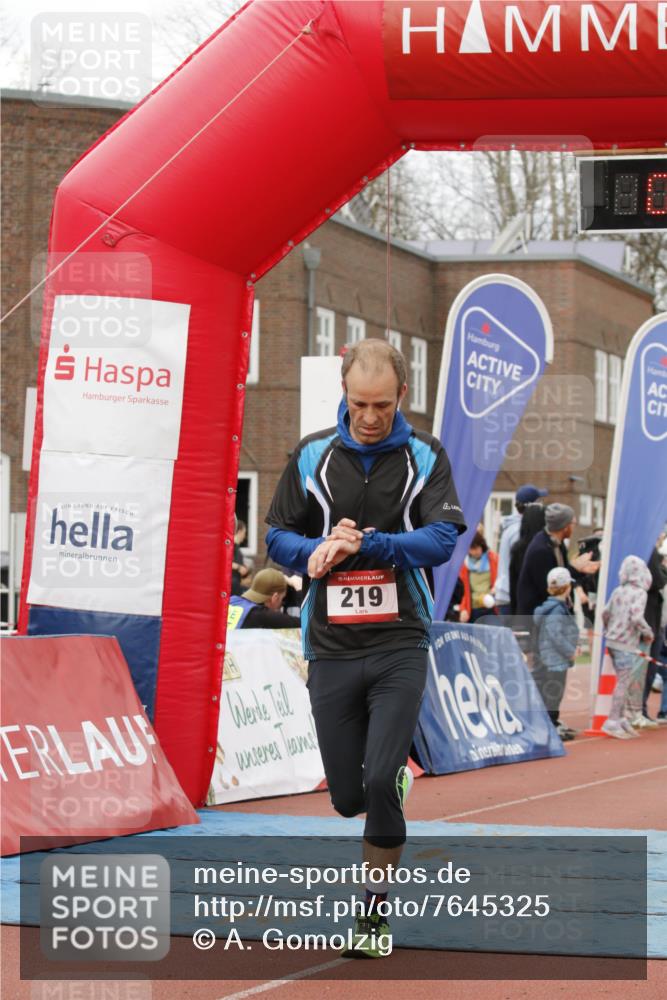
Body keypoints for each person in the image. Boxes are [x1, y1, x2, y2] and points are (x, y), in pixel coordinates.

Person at [265, 338, 466, 957]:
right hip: (330, 645)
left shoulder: (425, 455)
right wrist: (318, 551)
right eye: (359, 404)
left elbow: (442, 536)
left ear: (402, 396)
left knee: (379, 778)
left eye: (382, 404)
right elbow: (275, 536)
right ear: (344, 396)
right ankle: (384, 788)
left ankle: (373, 917)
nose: (370, 417)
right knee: (348, 797)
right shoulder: (311, 456)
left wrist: (372, 546)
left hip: (400, 641)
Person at [602, 555, 655, 738]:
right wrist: (648, 633)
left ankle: (621, 717)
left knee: (622, 680)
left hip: (612, 640)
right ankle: (612, 720)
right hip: (626, 643)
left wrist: (608, 628)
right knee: (623, 683)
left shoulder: (618, 590)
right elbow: (636, 617)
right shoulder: (640, 593)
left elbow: (605, 612)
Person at [516, 503, 598, 618]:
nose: (574, 527)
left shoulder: (557, 543)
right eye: (573, 523)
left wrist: (581, 569)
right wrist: (575, 567)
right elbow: (553, 586)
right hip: (537, 619)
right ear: (565, 527)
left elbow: (562, 571)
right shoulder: (541, 550)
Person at [532, 567, 580, 741]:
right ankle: (550, 725)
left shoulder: (553, 608)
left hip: (550, 658)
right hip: (555, 660)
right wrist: (570, 651)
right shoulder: (557, 610)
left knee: (551, 693)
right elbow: (555, 634)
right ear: (567, 587)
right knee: (554, 694)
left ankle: (551, 722)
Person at [494, 484, 548, 614]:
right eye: (539, 501)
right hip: (511, 594)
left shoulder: (510, 527)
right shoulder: (519, 531)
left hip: (504, 592)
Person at [641, 537, 667, 720]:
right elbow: (658, 581)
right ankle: (638, 709)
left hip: (659, 624)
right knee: (645, 671)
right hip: (651, 624)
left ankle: (643, 709)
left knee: (653, 671)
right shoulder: (649, 552)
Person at [509, 503, 546, 615]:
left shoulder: (517, 549)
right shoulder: (541, 549)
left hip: (521, 609)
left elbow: (513, 583)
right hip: (539, 609)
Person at [227, 568, 295, 630]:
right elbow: (303, 625)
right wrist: (299, 589)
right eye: (282, 599)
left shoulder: (232, 600)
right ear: (275, 597)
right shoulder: (262, 616)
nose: (282, 604)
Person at [459, 531, 498, 624]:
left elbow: (501, 580)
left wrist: (496, 588)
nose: (474, 552)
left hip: (491, 607)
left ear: (482, 545)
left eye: (476, 548)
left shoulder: (494, 559)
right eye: (471, 549)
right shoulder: (464, 565)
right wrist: (463, 609)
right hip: (474, 610)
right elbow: (465, 592)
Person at [231, 518, 250, 596]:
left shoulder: (236, 547)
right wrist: (239, 567)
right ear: (239, 531)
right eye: (244, 533)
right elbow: (225, 562)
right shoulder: (231, 546)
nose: (244, 536)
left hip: (236, 583)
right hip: (232, 584)